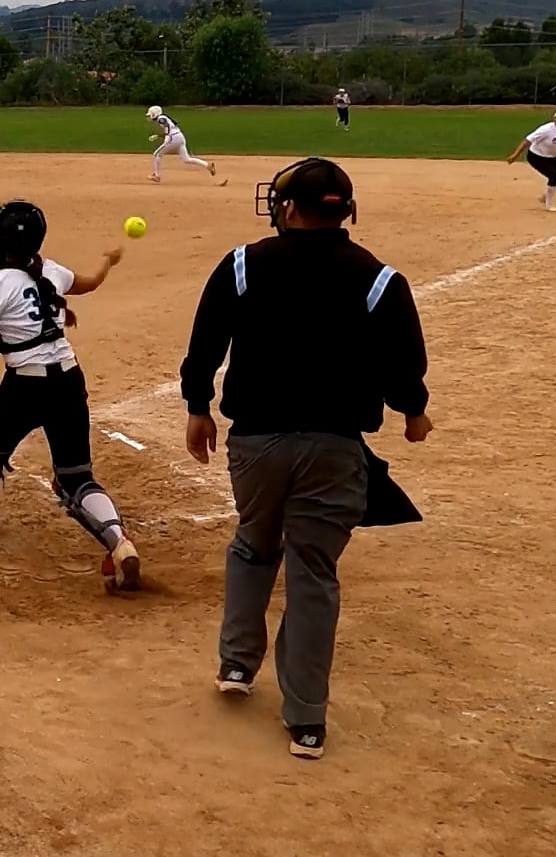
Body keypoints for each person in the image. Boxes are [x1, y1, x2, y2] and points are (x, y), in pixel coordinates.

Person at [179, 157, 432, 760]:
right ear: (344, 212)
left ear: (288, 208)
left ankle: (236, 665)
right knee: (313, 572)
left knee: (253, 544)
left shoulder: (244, 263)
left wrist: (198, 406)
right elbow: (404, 363)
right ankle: (307, 721)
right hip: (335, 447)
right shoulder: (379, 278)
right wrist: (413, 411)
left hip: (256, 443)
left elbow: (205, 344)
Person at [0, 199, 143, 591]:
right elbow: (90, 283)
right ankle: (120, 543)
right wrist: (108, 262)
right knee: (76, 478)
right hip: (68, 380)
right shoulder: (51, 271)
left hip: (24, 387)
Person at [507, 109, 556, 213]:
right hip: (536, 156)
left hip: (551, 157)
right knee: (554, 176)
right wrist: (515, 155)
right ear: (554, 119)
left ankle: (546, 196)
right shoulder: (546, 129)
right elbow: (527, 140)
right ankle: (549, 204)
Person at [146, 105, 217, 183]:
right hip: (180, 137)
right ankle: (207, 165)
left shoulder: (161, 118)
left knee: (156, 155)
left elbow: (167, 128)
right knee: (187, 159)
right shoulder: (165, 117)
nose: (150, 116)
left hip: (172, 138)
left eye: (151, 114)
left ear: (155, 113)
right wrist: (159, 136)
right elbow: (171, 128)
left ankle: (156, 175)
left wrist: (164, 137)